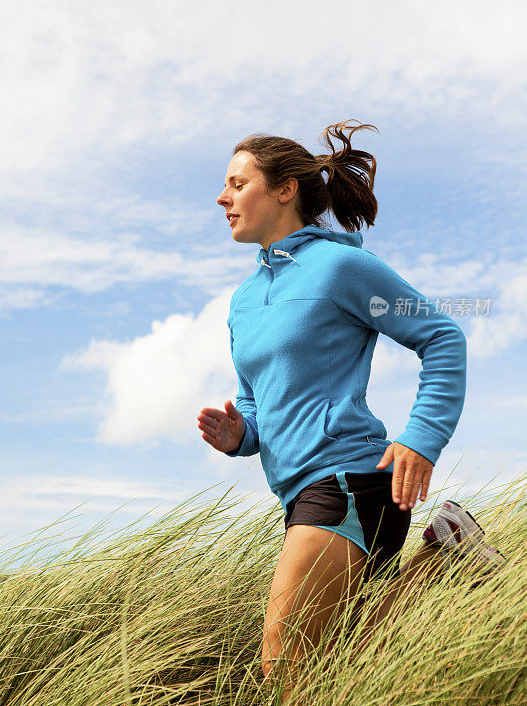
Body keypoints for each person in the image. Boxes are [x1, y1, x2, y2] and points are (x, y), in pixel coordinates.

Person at [197, 119, 505, 704]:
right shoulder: (242, 302)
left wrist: (421, 438)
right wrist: (241, 435)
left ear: (285, 189)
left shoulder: (340, 269)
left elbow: (441, 336)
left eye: (238, 183)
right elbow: (259, 406)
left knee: (284, 675)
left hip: (346, 481)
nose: (222, 197)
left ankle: (445, 557)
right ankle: (444, 558)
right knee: (321, 674)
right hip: (298, 493)